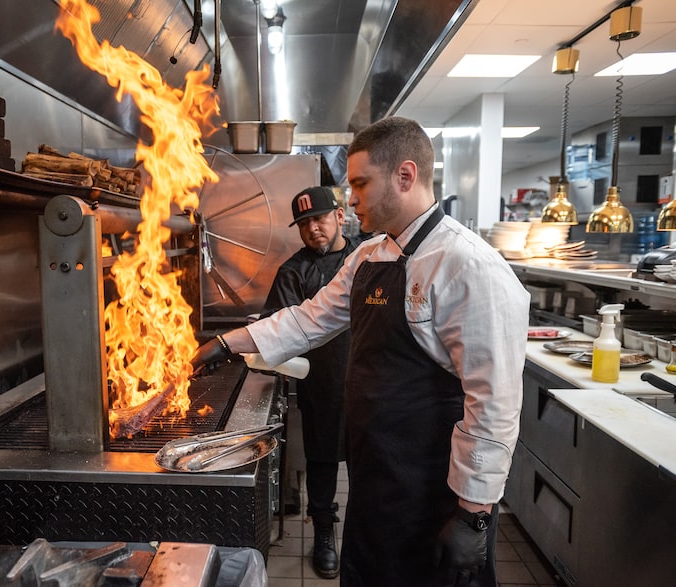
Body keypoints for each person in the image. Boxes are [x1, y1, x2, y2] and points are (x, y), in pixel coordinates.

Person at [192, 116, 529, 586]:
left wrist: (475, 515)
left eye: (360, 184)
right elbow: (309, 319)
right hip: (376, 477)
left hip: (435, 491)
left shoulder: (466, 265)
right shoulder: (370, 256)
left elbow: (493, 403)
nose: (350, 199)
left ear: (405, 176)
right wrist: (227, 343)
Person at [259, 186, 358, 579]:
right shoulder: (294, 272)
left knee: (373, 463)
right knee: (322, 463)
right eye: (304, 224)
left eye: (319, 218)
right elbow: (276, 329)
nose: (313, 229)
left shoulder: (368, 256)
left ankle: (368, 535)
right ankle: (324, 532)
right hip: (324, 386)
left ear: (339, 215)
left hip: (374, 385)